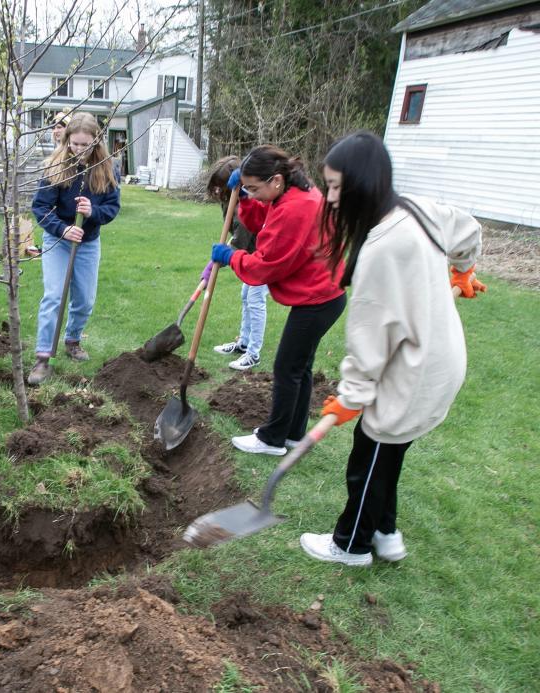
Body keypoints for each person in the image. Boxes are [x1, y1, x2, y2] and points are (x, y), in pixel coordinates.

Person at [298, 131, 484, 566]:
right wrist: (464, 269)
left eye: (338, 187)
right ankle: (386, 533)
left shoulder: (381, 249)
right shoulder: (417, 207)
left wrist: (351, 398)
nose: (329, 198)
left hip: (413, 370)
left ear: (365, 182)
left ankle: (351, 545)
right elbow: (468, 228)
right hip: (440, 357)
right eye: (328, 185)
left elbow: (369, 347)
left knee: (370, 454)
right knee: (391, 451)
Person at [208, 145, 346, 456]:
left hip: (318, 298)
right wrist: (244, 199)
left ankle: (271, 439)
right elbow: (261, 222)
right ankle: (294, 434)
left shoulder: (296, 208)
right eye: (247, 188)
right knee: (300, 367)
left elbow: (267, 264)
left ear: (276, 180)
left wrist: (233, 256)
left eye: (254, 188)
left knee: (286, 368)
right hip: (325, 294)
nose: (252, 194)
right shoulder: (289, 195)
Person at [28, 112, 120, 385]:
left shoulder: (108, 168)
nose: (78, 149)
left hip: (88, 243)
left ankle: (72, 339)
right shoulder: (55, 166)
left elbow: (112, 208)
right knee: (54, 296)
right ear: (67, 140)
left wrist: (92, 212)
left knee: (85, 300)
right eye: (74, 144)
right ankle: (43, 358)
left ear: (96, 141)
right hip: (58, 242)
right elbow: (41, 209)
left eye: (85, 144)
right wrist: (63, 228)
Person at [203, 156, 269, 371]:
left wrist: (216, 263)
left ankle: (253, 353)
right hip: (251, 254)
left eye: (218, 186)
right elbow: (232, 237)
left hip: (263, 257)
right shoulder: (229, 199)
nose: (215, 191)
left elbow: (239, 243)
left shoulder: (247, 202)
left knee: (255, 300)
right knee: (245, 296)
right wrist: (211, 265)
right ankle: (243, 343)